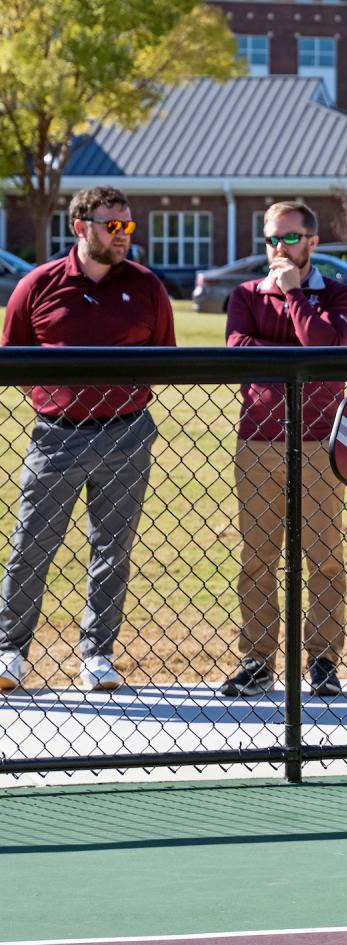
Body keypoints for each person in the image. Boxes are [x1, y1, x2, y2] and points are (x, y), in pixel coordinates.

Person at [0, 185, 173, 692]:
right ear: (80, 226)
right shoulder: (39, 284)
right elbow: (12, 356)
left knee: (113, 548)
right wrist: (59, 396)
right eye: (112, 225)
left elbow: (167, 357)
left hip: (127, 434)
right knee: (32, 545)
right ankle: (9, 651)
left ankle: (97, 653)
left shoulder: (146, 286)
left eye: (128, 226)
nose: (122, 235)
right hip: (57, 437)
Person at [219, 201, 347, 699]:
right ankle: (257, 660)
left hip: (321, 443)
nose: (279, 248)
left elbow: (324, 351)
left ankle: (323, 661)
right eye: (272, 239)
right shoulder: (245, 295)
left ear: (312, 243)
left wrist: (295, 297)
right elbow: (240, 353)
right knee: (257, 556)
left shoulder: (339, 295)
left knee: (324, 556)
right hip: (257, 441)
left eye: (290, 238)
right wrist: (293, 354)